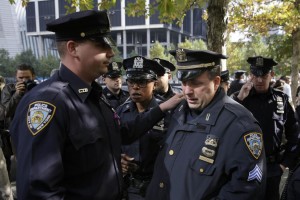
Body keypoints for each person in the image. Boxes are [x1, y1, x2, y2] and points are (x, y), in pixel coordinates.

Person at [10, 10, 183, 200]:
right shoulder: (48, 103)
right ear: (73, 48)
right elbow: (39, 191)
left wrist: (162, 108)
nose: (111, 53)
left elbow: (122, 131)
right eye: (101, 45)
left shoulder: (92, 95)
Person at [146, 49, 266, 200]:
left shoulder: (239, 124)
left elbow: (245, 190)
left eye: (195, 83)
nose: (187, 91)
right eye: (184, 83)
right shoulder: (178, 110)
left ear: (216, 82)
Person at [232, 56, 300, 200]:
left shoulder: (281, 100)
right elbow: (226, 126)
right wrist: (239, 100)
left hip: (273, 169)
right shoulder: (241, 98)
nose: (259, 80)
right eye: (255, 75)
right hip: (244, 169)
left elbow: (294, 134)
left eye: (264, 75)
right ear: (250, 76)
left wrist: (284, 164)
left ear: (272, 75)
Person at [117, 56, 166, 199]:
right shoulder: (121, 111)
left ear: (155, 84)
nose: (135, 87)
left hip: (157, 187)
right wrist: (119, 159)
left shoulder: (168, 112)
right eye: (131, 82)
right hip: (128, 187)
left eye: (142, 82)